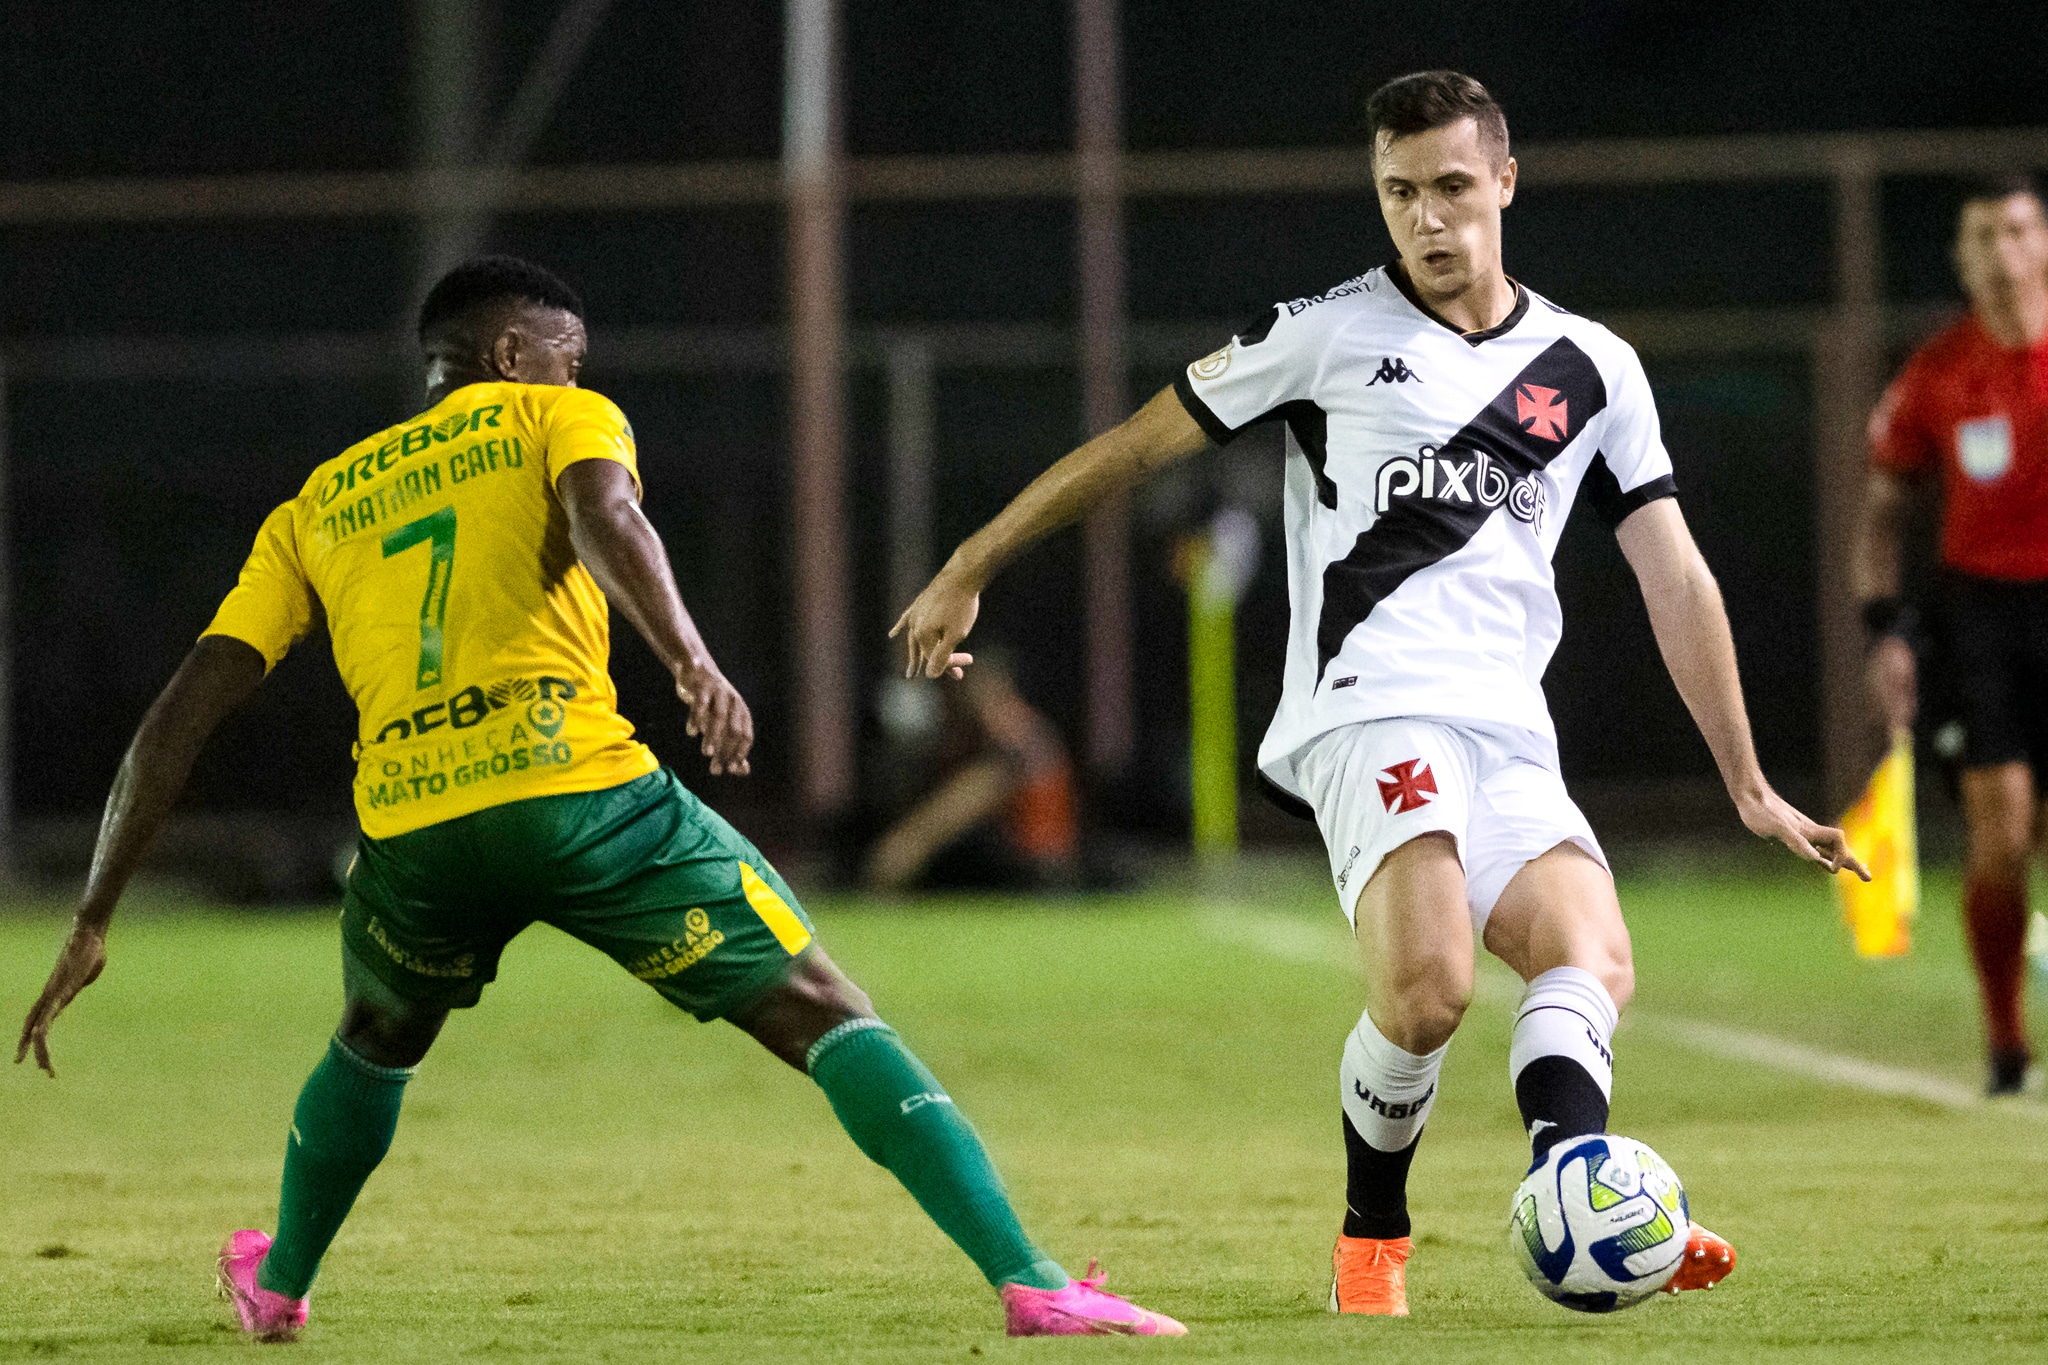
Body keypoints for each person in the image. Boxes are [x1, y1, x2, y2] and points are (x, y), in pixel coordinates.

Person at [14, 257, 1184, 1341]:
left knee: (375, 1038)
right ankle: (1030, 1280)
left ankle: (278, 1287)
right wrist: (691, 661)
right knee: (825, 1010)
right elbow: (604, 514)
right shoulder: (554, 417)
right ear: (512, 353)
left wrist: (95, 913)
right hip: (580, 795)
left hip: (416, 830)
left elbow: (185, 706)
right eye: (567, 358)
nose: (578, 378)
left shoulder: (315, 503)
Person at [895, 72, 1865, 1316]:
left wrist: (1746, 781)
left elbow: (1672, 576)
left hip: (1505, 725)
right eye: (1398, 192)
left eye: (1451, 187)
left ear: (1504, 181)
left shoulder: (1593, 368)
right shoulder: (1322, 335)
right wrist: (970, 563)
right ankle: (1372, 1239)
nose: (1426, 217)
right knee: (1429, 992)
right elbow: (1133, 447)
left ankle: (1580, 1194)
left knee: (1588, 956)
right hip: (1368, 707)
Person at [1857, 176, 2048, 1096]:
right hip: (1980, 619)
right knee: (2002, 836)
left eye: (2017, 230)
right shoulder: (1938, 372)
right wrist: (1884, 629)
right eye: (1984, 237)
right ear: (1963, 258)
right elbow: (1882, 512)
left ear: (2043, 241)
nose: (2003, 253)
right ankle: (2006, 1038)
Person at [864, 650, 1081, 893]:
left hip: (1036, 874)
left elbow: (964, 802)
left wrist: (904, 847)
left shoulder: (1014, 734)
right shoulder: (1022, 728)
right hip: (1040, 867)